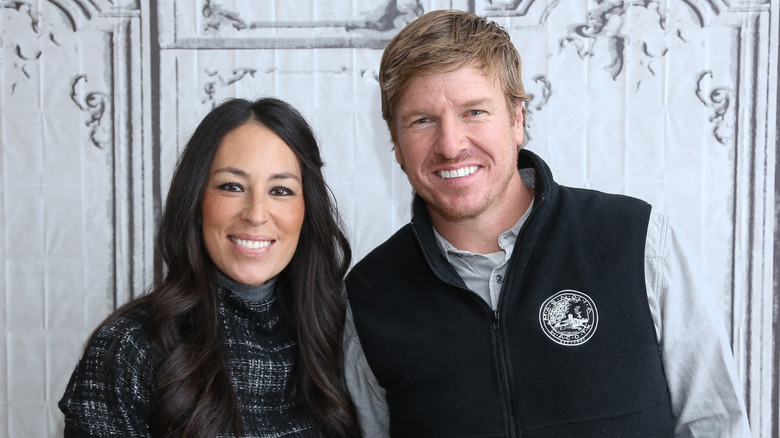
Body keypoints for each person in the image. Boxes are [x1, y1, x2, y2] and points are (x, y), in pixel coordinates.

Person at [343, 9, 751, 438]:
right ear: (395, 142)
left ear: (517, 119)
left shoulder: (639, 242)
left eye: (474, 112)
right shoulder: (370, 297)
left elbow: (715, 425)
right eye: (422, 120)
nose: (450, 145)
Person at [60, 97, 359, 437]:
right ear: (196, 201)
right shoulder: (129, 347)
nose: (256, 213)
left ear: (308, 210)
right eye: (232, 186)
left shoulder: (343, 335)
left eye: (280, 190)